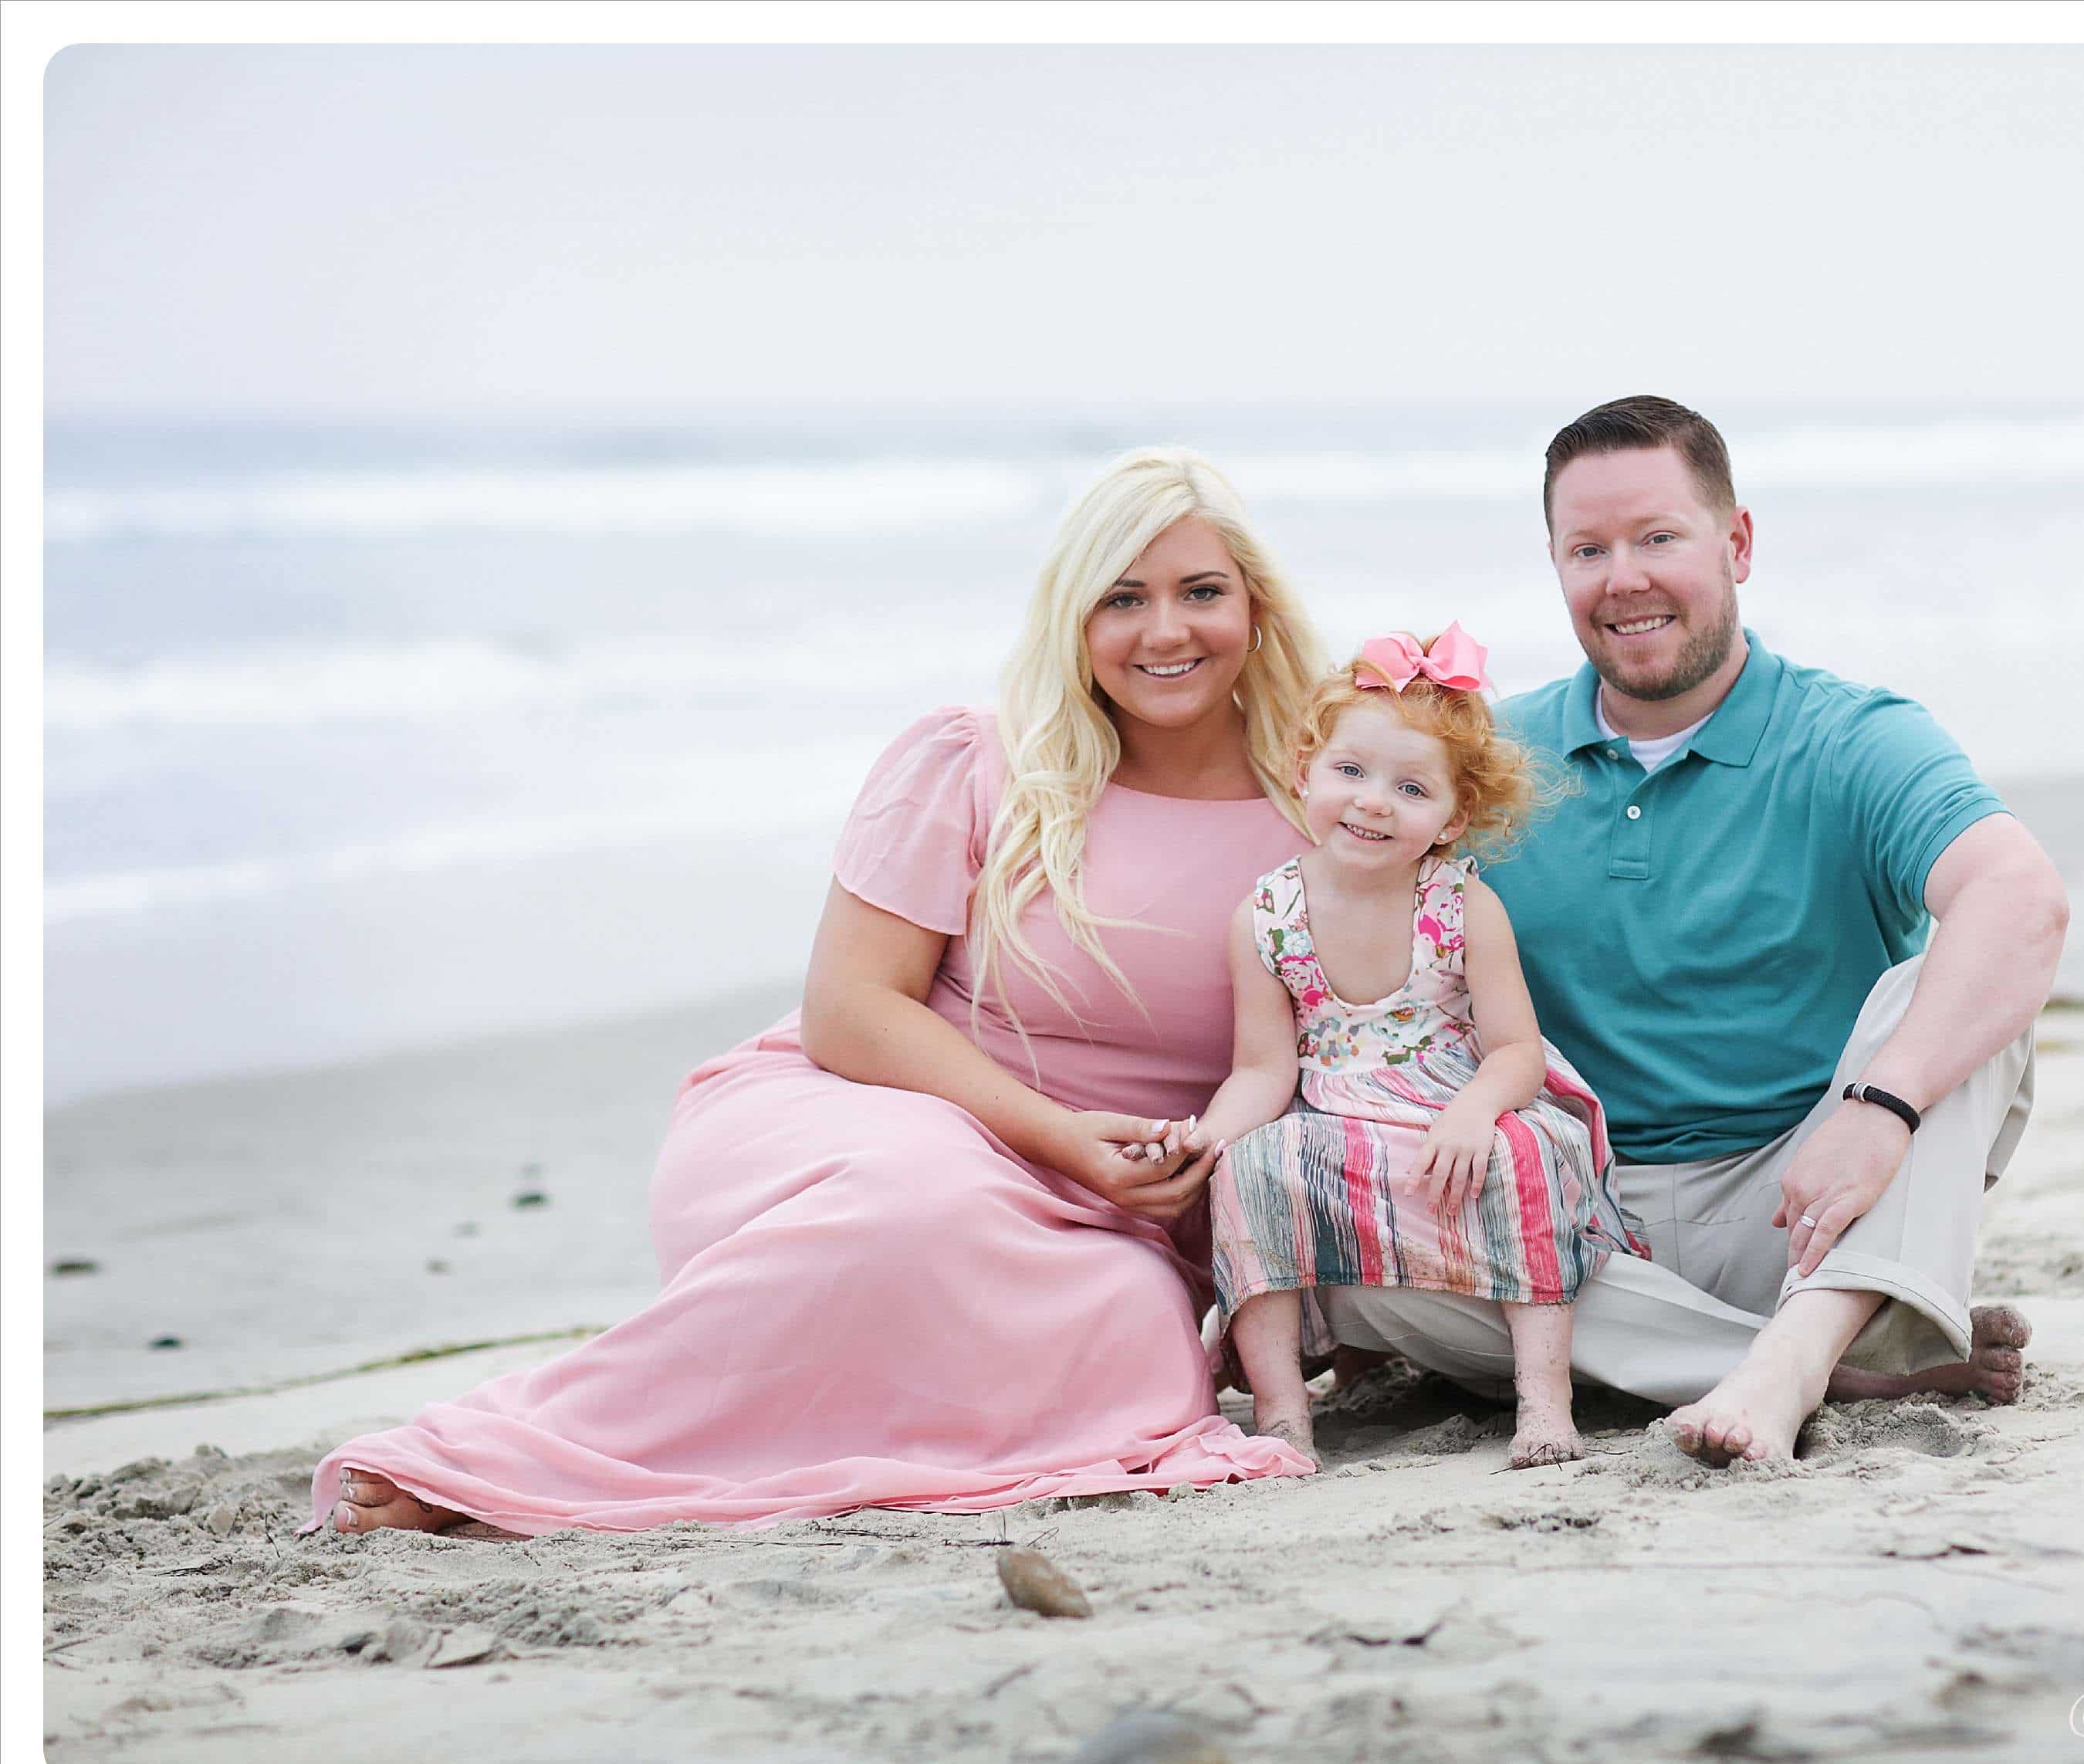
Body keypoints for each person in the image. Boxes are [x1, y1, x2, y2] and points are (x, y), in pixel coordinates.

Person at [312, 448, 1334, 1536]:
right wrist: (1058, 1135)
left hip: (1117, 1209)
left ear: (1257, 605)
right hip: (875, 1112)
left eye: (1201, 592)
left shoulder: (1325, 805)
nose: (1164, 631)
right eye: (1122, 598)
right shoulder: (980, 764)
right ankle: (502, 1459)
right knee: (923, 1203)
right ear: (1072, 620)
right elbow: (850, 1008)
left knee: (1133, 1333)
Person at [1319, 397, 2068, 1467]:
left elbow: (2023, 898)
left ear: (1738, 543)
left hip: (1808, 1206)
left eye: (1658, 536)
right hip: (1575, 1223)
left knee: (1963, 1000)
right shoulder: (1488, 763)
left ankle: (1794, 1353)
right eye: (1588, 548)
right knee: (1336, 1253)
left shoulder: (1854, 737)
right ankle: (1841, 1354)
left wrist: (1880, 1109)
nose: (1623, 576)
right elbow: (1336, 926)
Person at [1151, 624, 1637, 1471]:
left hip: (1456, 1098)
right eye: (1349, 771)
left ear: (1456, 815)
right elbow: (1264, 1068)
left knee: (1522, 1154)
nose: (1372, 800)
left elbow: (1516, 1050)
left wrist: (1476, 1110)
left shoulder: (1460, 905)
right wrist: (1209, 1137)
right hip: (1338, 1110)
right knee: (1251, 1167)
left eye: (1410, 787)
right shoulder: (1266, 915)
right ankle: (1280, 1412)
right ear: (1303, 769)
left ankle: (1544, 1402)